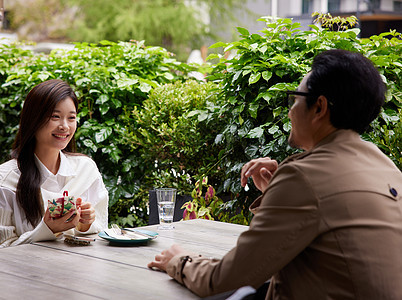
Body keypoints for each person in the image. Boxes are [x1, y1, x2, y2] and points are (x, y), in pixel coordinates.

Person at [148, 49, 402, 299]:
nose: (290, 111)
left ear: (319, 107)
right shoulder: (388, 168)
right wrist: (275, 192)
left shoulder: (304, 177)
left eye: (295, 99)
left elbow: (223, 279)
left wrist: (178, 261)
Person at [0, 79, 109, 250]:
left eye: (71, 118)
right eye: (55, 117)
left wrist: (85, 225)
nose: (64, 126)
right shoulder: (4, 180)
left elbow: (103, 233)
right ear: (33, 119)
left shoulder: (86, 170)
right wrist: (48, 229)